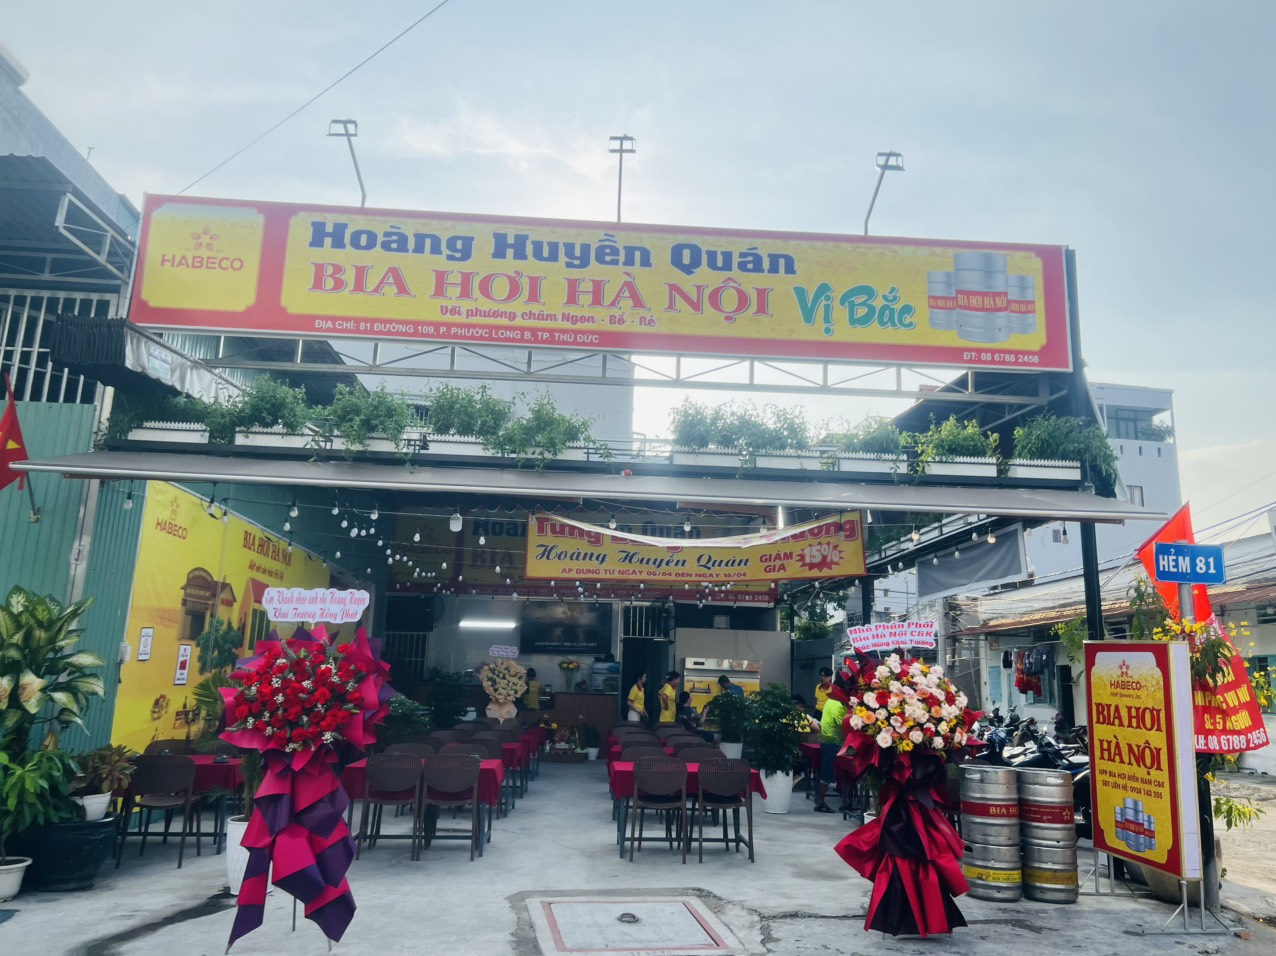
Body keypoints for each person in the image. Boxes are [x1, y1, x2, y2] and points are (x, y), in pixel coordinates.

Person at [814, 671, 852, 813]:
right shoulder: (838, 703)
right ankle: (821, 802)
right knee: (830, 773)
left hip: (828, 740)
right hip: (834, 742)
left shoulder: (830, 700)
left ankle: (845, 801)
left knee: (832, 772)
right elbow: (844, 724)